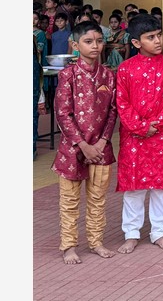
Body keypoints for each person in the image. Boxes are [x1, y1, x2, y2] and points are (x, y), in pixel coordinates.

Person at [115, 13, 163, 254]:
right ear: (135, 43)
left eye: (159, 35)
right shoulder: (124, 69)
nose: (158, 41)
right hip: (133, 136)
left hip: (161, 135)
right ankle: (131, 233)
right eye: (150, 37)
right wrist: (141, 127)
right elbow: (121, 103)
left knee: (161, 186)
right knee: (133, 187)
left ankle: (159, 232)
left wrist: (157, 124)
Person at [51, 21, 118, 264]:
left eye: (99, 41)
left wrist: (101, 142)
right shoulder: (67, 75)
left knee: (98, 199)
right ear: (75, 45)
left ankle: (96, 241)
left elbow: (112, 112)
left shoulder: (108, 75)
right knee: (69, 201)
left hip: (101, 149)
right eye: (88, 42)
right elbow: (63, 114)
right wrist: (83, 144)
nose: (95, 46)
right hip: (72, 149)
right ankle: (69, 246)